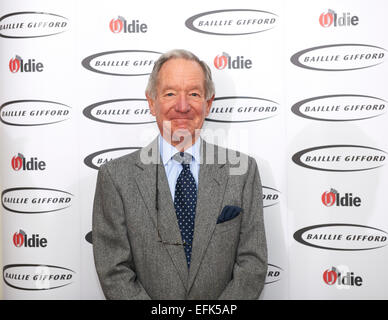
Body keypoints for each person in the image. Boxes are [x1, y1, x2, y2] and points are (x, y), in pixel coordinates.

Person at [92, 49, 267, 300]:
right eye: (170, 93)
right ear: (152, 102)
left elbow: (253, 264)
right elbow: (114, 270)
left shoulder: (242, 171)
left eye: (194, 94)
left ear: (208, 103)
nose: (182, 106)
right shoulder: (116, 177)